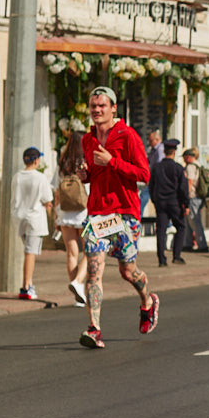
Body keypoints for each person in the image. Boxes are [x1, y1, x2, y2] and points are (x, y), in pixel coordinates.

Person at [78, 86, 159, 349]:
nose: (97, 110)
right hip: (97, 214)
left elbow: (144, 174)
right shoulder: (87, 140)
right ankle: (94, 329)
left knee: (127, 271)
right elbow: (95, 173)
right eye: (93, 106)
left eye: (102, 105)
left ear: (114, 108)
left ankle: (148, 301)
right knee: (94, 270)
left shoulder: (128, 135)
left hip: (125, 213)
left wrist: (112, 161)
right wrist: (85, 175)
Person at [54, 134, 90, 305]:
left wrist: (56, 215)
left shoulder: (62, 163)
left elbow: (56, 190)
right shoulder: (85, 162)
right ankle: (78, 282)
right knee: (89, 251)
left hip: (65, 212)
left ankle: (78, 294)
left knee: (71, 253)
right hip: (83, 212)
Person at [13, 147, 53, 299]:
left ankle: (27, 285)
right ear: (36, 160)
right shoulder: (40, 177)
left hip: (20, 217)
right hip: (35, 219)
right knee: (30, 253)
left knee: (28, 250)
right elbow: (47, 199)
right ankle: (27, 286)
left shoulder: (17, 176)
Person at [148, 139, 190, 267]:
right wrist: (186, 204)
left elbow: (151, 186)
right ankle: (176, 256)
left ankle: (162, 259)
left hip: (161, 203)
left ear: (165, 151)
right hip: (174, 202)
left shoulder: (156, 167)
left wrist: (155, 200)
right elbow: (183, 188)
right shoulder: (178, 168)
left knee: (161, 231)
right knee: (181, 227)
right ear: (174, 152)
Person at [180, 148, 209, 253]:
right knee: (189, 221)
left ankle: (202, 245)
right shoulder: (199, 165)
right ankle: (188, 243)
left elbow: (190, 182)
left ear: (188, 157)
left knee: (194, 221)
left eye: (184, 158)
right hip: (199, 197)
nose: (183, 160)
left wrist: (186, 196)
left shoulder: (190, 167)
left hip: (193, 196)